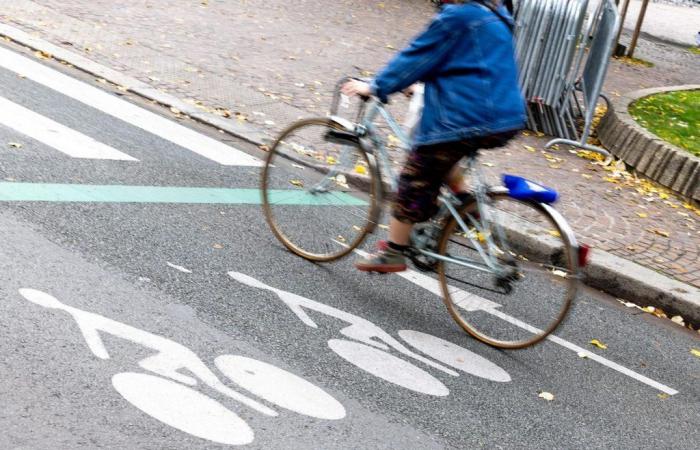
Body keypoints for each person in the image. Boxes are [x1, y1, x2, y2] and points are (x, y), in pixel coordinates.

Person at [342, 0, 525, 273]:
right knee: (443, 161)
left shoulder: (458, 17)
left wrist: (376, 86)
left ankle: (393, 252)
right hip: (504, 117)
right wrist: (418, 84)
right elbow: (466, 66)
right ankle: (466, 207)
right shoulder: (496, 15)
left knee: (413, 178)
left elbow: (416, 57)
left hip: (465, 118)